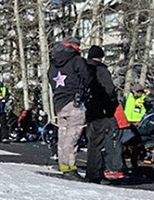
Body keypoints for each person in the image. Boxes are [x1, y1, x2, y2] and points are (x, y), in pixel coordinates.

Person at [48, 37, 91, 179]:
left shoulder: (54, 62)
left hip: (59, 102)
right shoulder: (77, 60)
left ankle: (64, 164)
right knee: (73, 136)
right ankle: (71, 167)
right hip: (75, 101)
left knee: (63, 134)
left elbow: (50, 78)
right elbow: (87, 77)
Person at [84, 45, 124, 182]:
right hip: (102, 111)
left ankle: (92, 170)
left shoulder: (84, 69)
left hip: (87, 110)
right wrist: (111, 105)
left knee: (92, 142)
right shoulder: (101, 71)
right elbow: (109, 90)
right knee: (100, 143)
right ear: (100, 57)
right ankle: (95, 173)